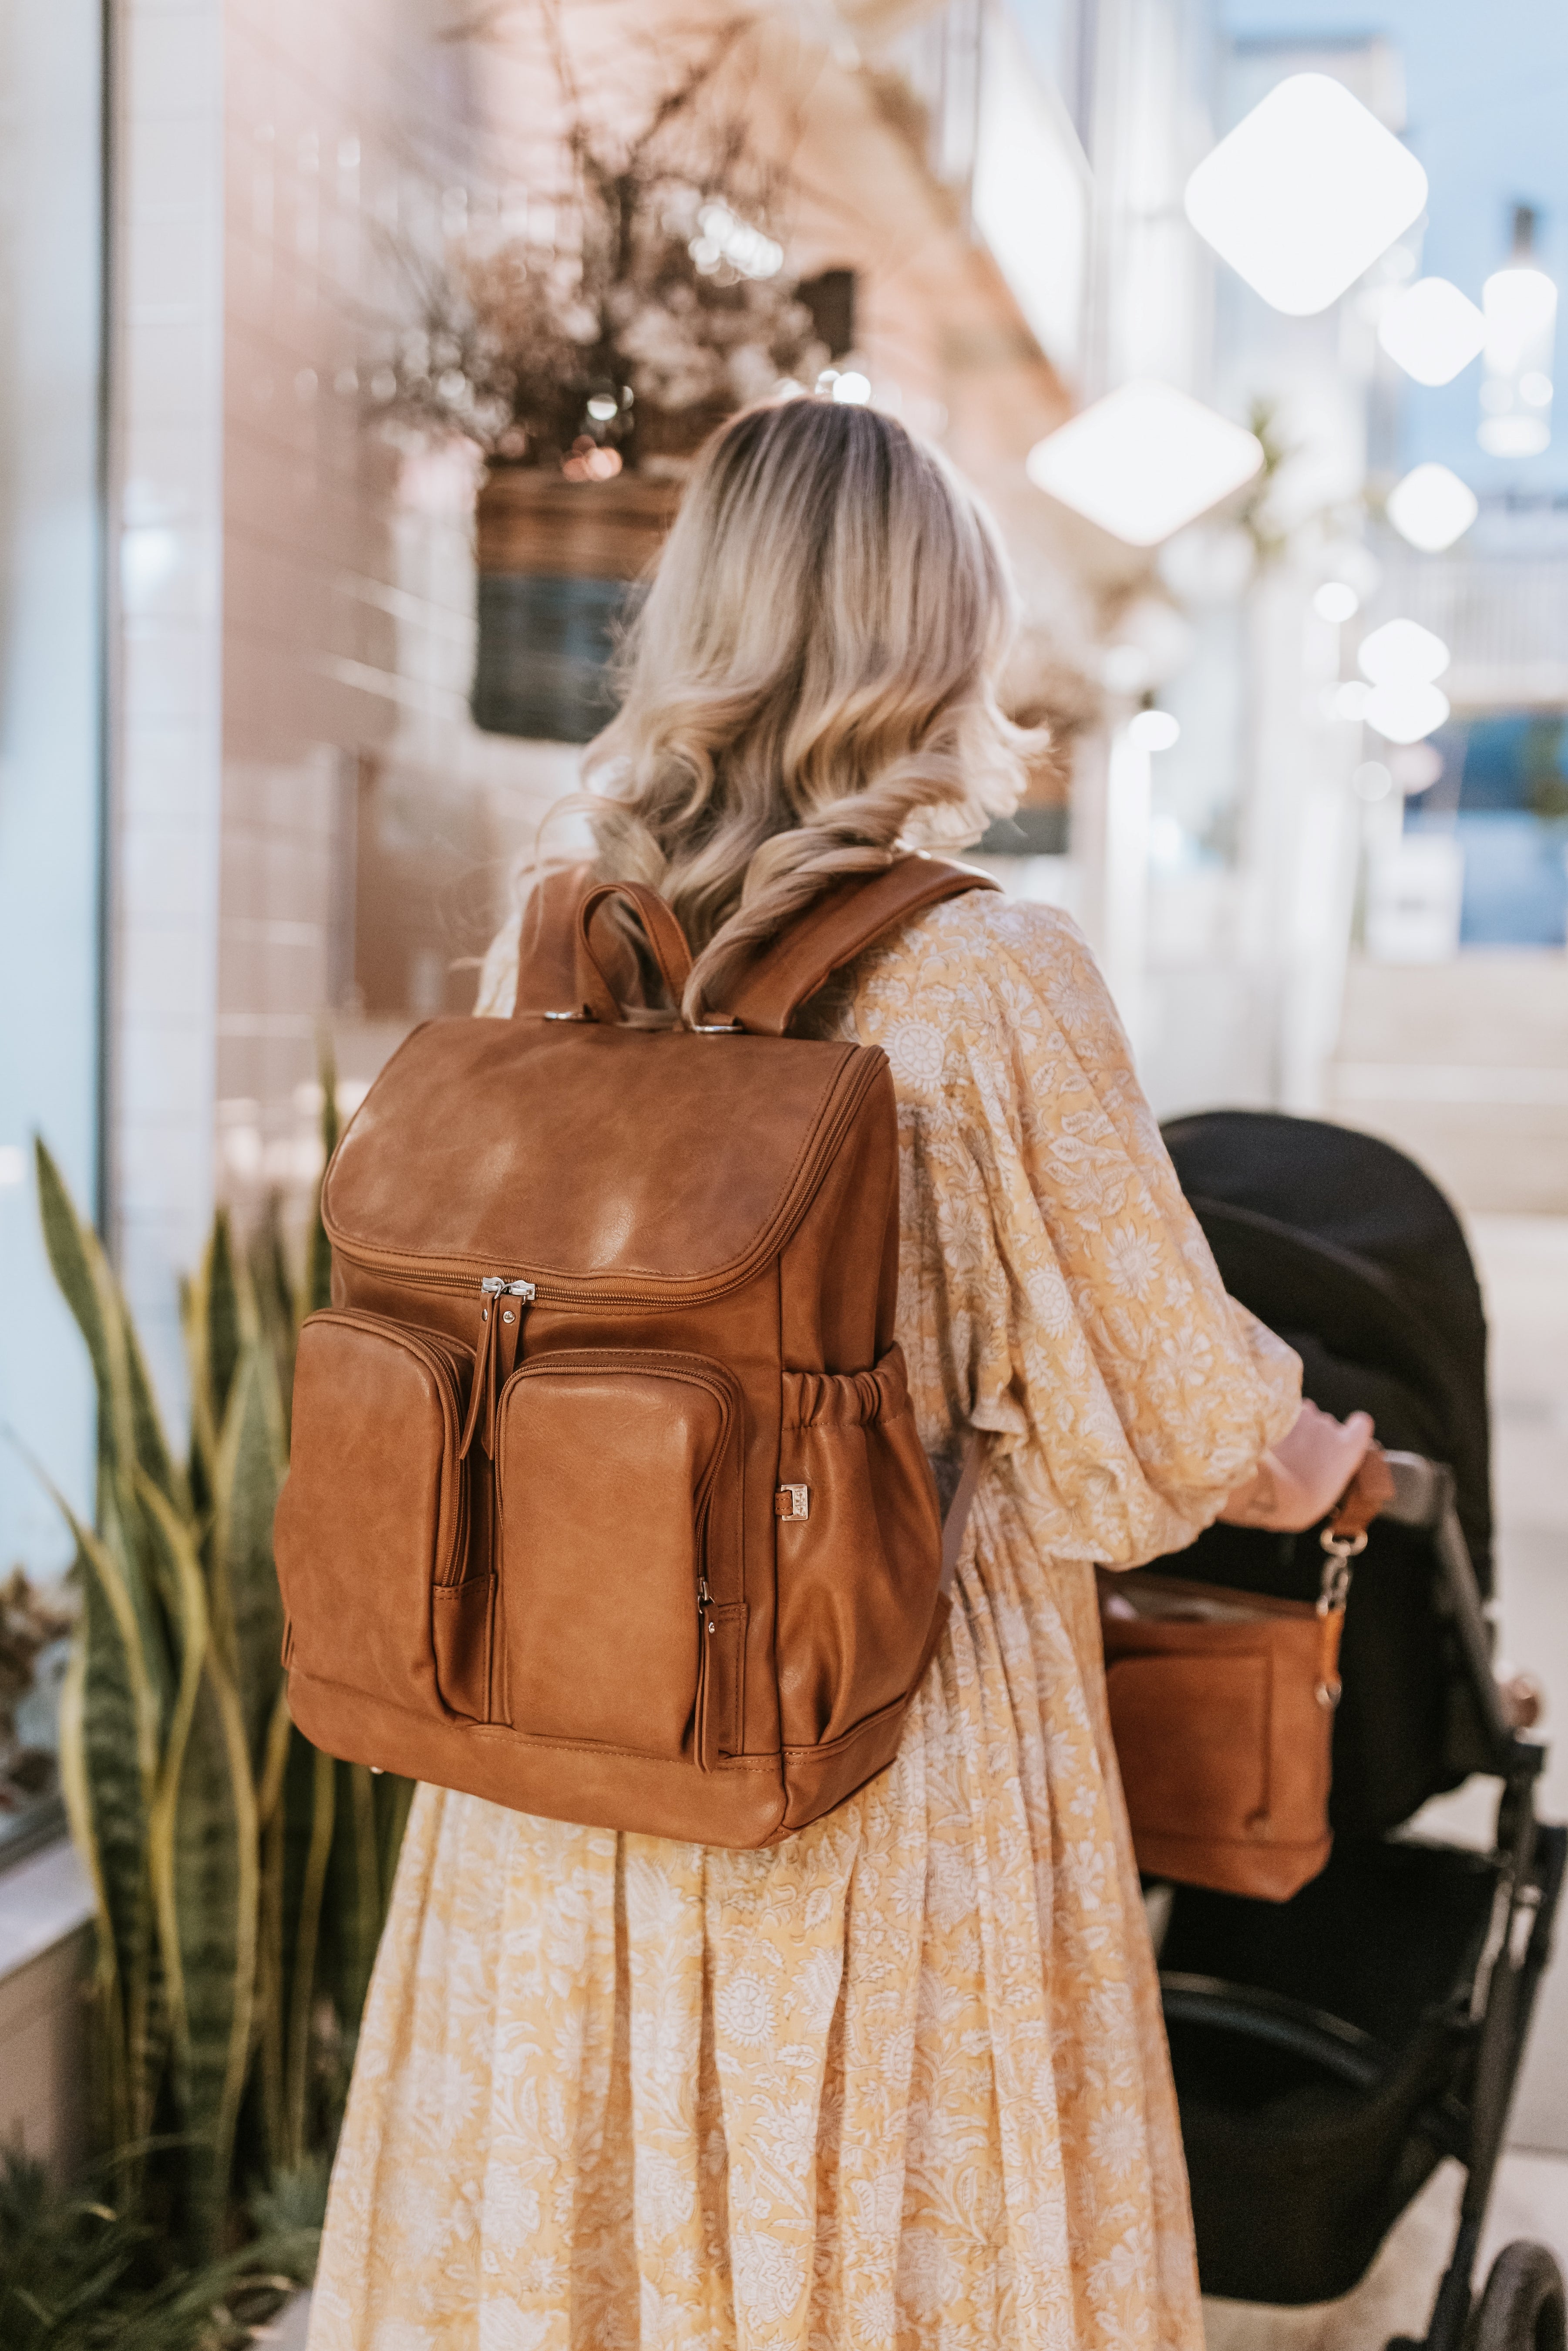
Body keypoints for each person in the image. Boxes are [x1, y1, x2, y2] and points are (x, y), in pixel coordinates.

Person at [307, 397, 1373, 2351]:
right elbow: (1166, 1413)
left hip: (557, 1740)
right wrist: (1320, 1460)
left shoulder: (554, 958)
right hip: (869, 1739)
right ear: (938, 643)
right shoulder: (986, 973)